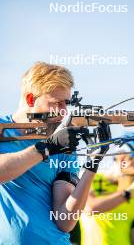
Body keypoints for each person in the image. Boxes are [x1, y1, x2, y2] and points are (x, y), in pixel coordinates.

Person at [0, 62, 110, 245]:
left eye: (66, 103)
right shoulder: (4, 130)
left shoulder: (63, 144)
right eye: (56, 103)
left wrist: (93, 162)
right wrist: (46, 148)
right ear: (30, 99)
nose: (64, 112)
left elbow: (65, 221)